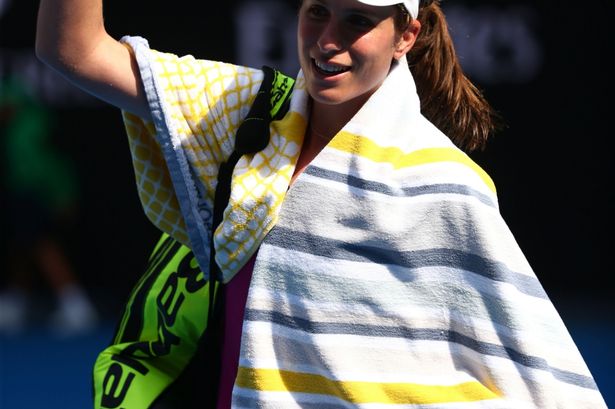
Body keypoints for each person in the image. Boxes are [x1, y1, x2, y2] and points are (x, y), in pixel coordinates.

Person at [35, 0, 607, 407]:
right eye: (317, 12)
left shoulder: (446, 184)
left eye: (358, 19)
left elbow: (540, 367)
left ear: (405, 35)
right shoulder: (243, 112)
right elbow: (74, 51)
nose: (328, 39)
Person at [0, 76, 99, 337]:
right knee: (21, 245)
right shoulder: (21, 125)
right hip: (25, 190)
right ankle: (15, 301)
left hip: (36, 191)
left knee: (43, 245)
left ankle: (76, 305)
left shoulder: (31, 128)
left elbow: (51, 167)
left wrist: (62, 196)